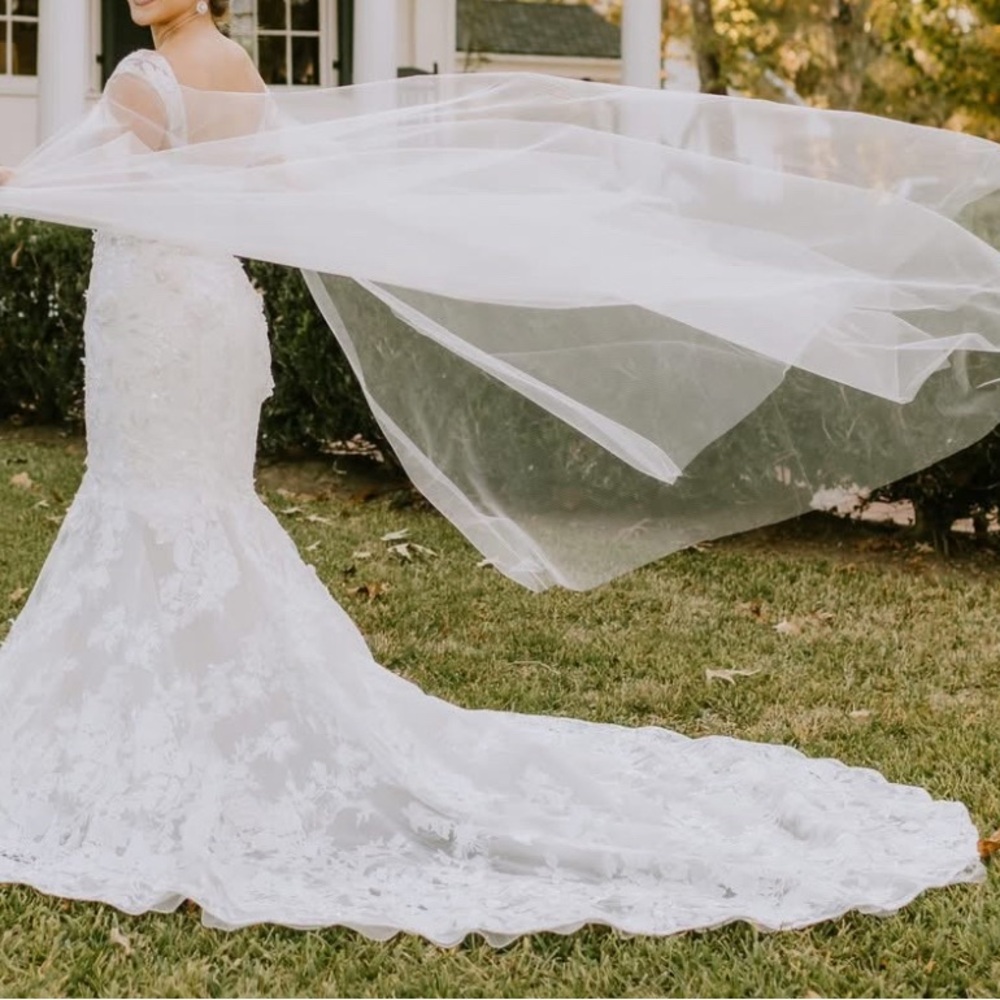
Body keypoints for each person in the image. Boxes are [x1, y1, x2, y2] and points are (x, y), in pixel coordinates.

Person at [0, 0, 993, 947]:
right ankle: (226, 704)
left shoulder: (141, 79)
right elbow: (273, 194)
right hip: (208, 312)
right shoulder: (237, 71)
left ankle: (160, 721)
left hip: (153, 319)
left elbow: (71, 182)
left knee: (153, 499)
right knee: (195, 503)